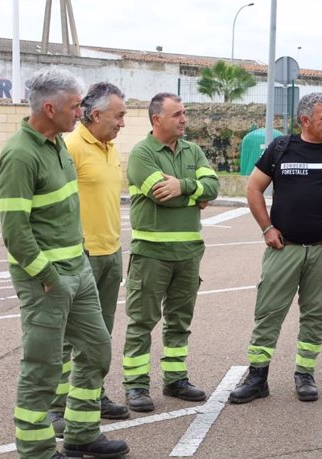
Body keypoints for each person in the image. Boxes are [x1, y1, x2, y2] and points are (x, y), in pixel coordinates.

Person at [0, 68, 129, 459]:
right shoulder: (20, 154)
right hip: (46, 280)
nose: (81, 112)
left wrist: (79, 266)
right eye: (75, 106)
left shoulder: (56, 144)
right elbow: (15, 231)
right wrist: (48, 276)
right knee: (43, 366)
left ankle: (81, 433)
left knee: (96, 350)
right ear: (50, 107)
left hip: (79, 268)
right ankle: (36, 450)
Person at [229, 92, 322, 404]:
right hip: (285, 249)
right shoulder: (281, 148)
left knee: (315, 314)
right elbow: (253, 188)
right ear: (305, 120)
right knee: (268, 313)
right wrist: (266, 228)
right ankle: (257, 378)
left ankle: (305, 374)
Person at [122, 92, 218, 412]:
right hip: (151, 253)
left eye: (184, 113)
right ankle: (136, 386)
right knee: (142, 321)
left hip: (189, 252)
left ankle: (175, 379)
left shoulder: (193, 150)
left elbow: (213, 187)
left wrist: (183, 186)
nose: (184, 119)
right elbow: (161, 194)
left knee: (179, 320)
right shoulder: (141, 154)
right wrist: (194, 193)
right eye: (177, 114)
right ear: (157, 119)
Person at [46, 82, 130, 436]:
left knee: (100, 334)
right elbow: (56, 203)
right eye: (119, 115)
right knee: (68, 337)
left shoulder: (109, 148)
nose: (123, 122)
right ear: (95, 115)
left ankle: (91, 396)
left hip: (110, 253)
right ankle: (57, 407)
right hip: (81, 257)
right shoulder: (71, 147)